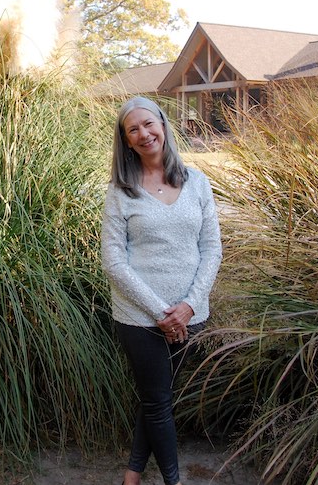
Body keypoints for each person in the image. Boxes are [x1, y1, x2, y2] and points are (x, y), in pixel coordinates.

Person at [101, 96, 223, 485]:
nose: (144, 133)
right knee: (158, 402)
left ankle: (132, 474)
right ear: (126, 140)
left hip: (190, 316)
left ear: (163, 125)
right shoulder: (121, 191)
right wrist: (161, 312)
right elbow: (114, 261)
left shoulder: (197, 182)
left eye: (148, 124)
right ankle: (174, 480)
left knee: (157, 400)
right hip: (139, 318)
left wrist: (187, 306)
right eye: (132, 129)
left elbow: (212, 248)